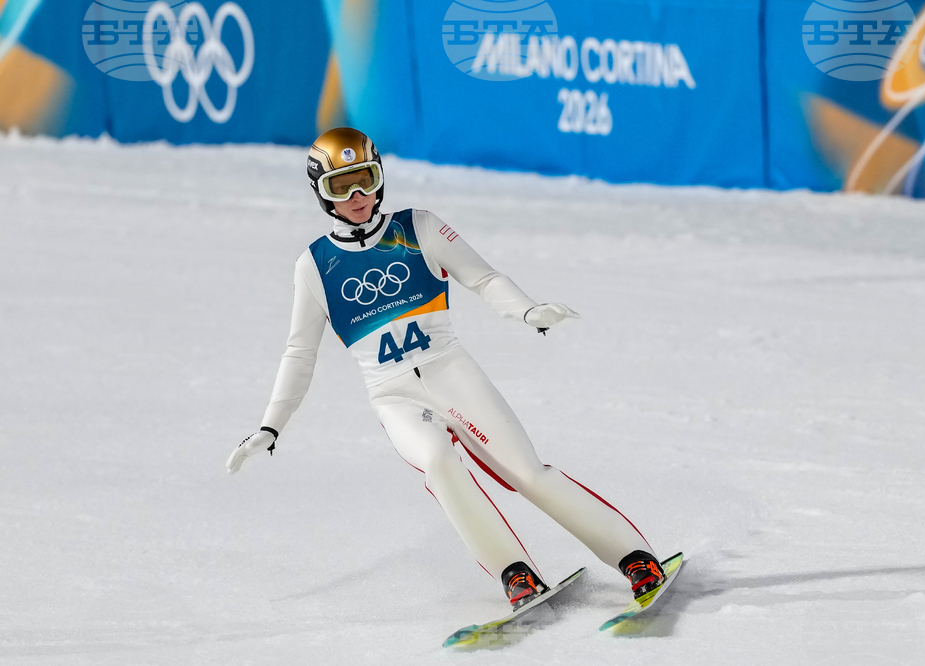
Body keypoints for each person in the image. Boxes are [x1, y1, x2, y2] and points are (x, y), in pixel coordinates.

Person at [227, 127, 665, 608]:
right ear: (321, 193)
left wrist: (526, 311)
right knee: (437, 460)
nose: (358, 196)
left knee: (526, 473)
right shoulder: (314, 266)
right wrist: (271, 426)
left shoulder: (419, 227)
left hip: (451, 371)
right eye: (341, 186)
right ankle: (515, 574)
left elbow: (484, 278)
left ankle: (635, 558)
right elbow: (299, 354)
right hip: (393, 395)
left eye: (367, 180)